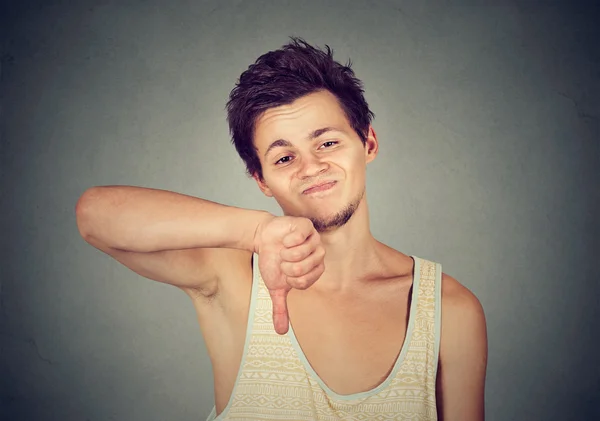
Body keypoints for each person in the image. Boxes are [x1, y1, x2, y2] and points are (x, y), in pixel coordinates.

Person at [75, 37, 487, 421]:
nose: (311, 168)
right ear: (261, 179)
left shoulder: (449, 310)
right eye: (284, 158)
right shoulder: (232, 277)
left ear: (369, 143)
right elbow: (95, 215)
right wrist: (257, 232)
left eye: (327, 143)